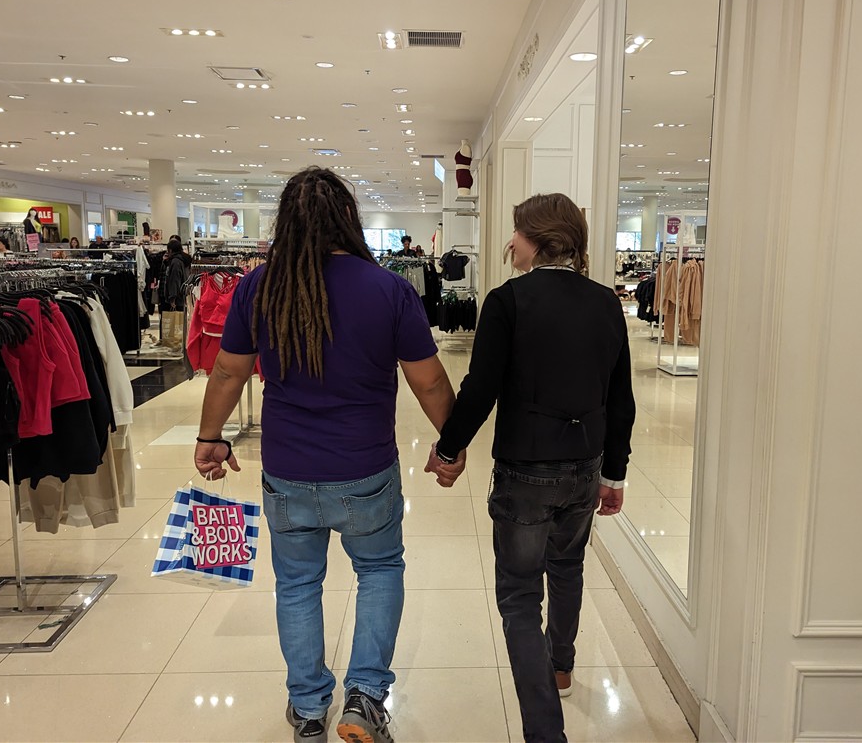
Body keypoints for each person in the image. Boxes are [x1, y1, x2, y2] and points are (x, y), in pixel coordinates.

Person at [193, 166, 457, 743]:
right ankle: (364, 698)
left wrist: (210, 437)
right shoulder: (388, 289)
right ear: (348, 218)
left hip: (288, 471)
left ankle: (309, 707)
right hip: (365, 469)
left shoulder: (259, 287)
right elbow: (431, 382)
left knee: (297, 584)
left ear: (287, 221)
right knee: (379, 570)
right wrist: (451, 445)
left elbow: (228, 371)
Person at [425, 192, 637, 743]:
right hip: (585, 465)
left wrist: (448, 449)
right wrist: (614, 474)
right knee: (567, 567)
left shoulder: (508, 301)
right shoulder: (605, 303)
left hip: (525, 470)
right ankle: (561, 666)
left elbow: (480, 389)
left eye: (517, 232)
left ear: (538, 239)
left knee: (520, 597)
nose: (510, 243)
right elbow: (621, 398)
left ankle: (545, 732)